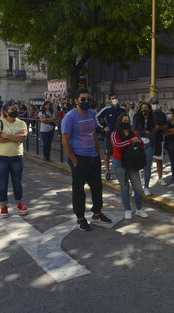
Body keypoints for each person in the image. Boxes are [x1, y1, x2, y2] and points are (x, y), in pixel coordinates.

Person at [61, 88, 112, 231]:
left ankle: (97, 213)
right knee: (79, 189)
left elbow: (94, 133)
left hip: (93, 157)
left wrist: (97, 152)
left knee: (97, 187)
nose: (86, 102)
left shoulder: (91, 114)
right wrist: (75, 161)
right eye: (83, 99)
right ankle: (80, 218)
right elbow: (65, 141)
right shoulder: (70, 117)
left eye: (88, 99)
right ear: (76, 101)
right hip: (79, 157)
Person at [0, 100, 29, 218]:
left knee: (17, 183)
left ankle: (19, 204)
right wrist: (15, 137)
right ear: (5, 111)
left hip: (17, 157)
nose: (15, 111)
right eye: (12, 109)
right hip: (0, 157)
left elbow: (23, 137)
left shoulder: (22, 123)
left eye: (16, 108)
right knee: (3, 183)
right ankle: (4, 206)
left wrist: (6, 135)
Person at [111, 113, 149, 220]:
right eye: (124, 120)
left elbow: (142, 145)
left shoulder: (134, 133)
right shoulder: (115, 134)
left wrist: (138, 141)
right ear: (119, 122)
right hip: (119, 163)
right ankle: (127, 209)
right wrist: (130, 142)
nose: (126, 122)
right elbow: (117, 146)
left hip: (133, 163)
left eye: (127, 120)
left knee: (137, 188)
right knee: (124, 188)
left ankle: (139, 209)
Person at [96, 93, 127, 180]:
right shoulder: (106, 109)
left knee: (122, 154)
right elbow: (97, 117)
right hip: (109, 136)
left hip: (121, 136)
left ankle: (122, 171)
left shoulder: (123, 109)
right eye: (112, 98)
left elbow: (127, 120)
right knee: (107, 154)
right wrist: (103, 126)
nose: (114, 100)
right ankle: (107, 172)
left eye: (115, 98)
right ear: (109, 100)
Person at [133, 102, 155, 195]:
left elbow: (153, 133)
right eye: (142, 108)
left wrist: (145, 133)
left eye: (146, 108)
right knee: (137, 167)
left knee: (148, 167)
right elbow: (135, 131)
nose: (144, 110)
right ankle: (136, 188)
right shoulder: (136, 118)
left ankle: (146, 187)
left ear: (149, 109)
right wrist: (145, 132)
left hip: (149, 145)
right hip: (139, 145)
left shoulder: (153, 119)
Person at [150, 97, 168, 186]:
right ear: (150, 104)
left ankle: (160, 178)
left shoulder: (162, 114)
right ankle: (145, 179)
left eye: (156, 103)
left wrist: (159, 128)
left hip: (159, 139)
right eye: (153, 103)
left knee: (159, 159)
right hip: (149, 140)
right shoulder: (147, 114)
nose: (155, 105)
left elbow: (165, 126)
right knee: (147, 160)